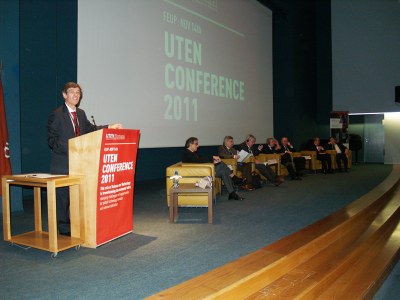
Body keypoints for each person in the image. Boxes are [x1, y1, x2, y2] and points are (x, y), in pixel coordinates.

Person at [47, 82, 123, 235]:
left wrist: (109, 127)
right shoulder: (56, 114)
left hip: (80, 163)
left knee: (77, 196)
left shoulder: (80, 113)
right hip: (63, 163)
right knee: (63, 199)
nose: (75, 95)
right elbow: (52, 141)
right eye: (71, 92)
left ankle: (75, 224)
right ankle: (62, 228)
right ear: (64, 95)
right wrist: (74, 147)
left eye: (78, 92)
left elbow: (90, 129)